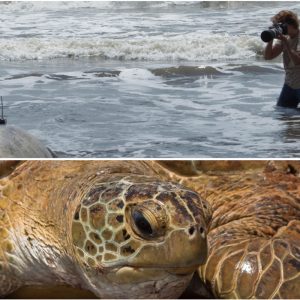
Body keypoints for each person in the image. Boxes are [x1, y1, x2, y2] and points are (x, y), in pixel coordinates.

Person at [264, 10, 300, 108]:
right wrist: (270, 38)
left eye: (279, 25)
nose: (279, 29)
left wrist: (286, 44)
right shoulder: (285, 37)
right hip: (290, 84)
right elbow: (268, 56)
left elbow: (297, 61)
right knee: (282, 114)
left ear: (291, 24)